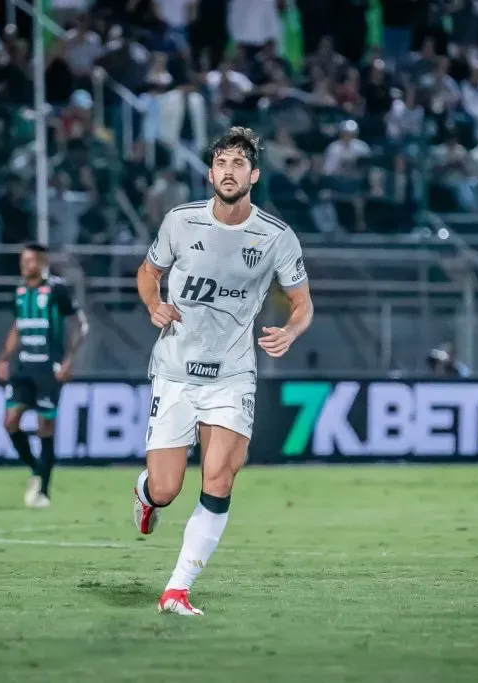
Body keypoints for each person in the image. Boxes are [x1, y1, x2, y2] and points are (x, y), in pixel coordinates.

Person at [132, 127, 314, 616]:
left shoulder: (275, 235)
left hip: (231, 375)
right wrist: (154, 304)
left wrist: (291, 332)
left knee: (220, 478)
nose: (228, 171)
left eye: (238, 164)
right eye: (220, 163)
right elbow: (148, 273)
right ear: (210, 173)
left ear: (252, 175)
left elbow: (302, 303)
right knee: (167, 488)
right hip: (173, 371)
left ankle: (177, 589)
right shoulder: (180, 221)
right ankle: (146, 495)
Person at [0, 243, 89, 508]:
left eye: (31, 261)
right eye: (23, 261)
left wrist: (68, 361)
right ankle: (37, 468)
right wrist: (3, 358)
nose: (26, 266)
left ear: (42, 262)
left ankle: (43, 491)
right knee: (10, 421)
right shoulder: (20, 290)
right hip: (23, 368)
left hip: (49, 369)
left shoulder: (57, 289)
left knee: (44, 426)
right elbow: (17, 326)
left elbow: (80, 325)